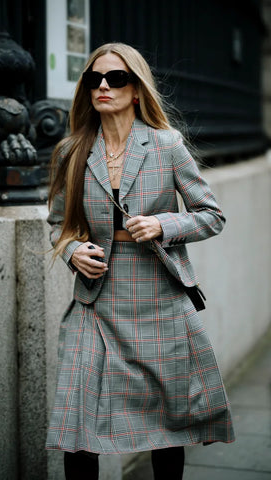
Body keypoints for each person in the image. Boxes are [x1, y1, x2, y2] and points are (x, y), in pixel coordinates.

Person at [46, 42, 235, 480]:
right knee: (78, 423)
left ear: (136, 90)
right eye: (94, 79)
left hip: (157, 300)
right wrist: (74, 251)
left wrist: (164, 226)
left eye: (116, 78)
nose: (104, 86)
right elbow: (58, 224)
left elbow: (212, 216)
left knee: (164, 426)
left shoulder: (167, 145)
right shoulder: (72, 151)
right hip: (96, 301)